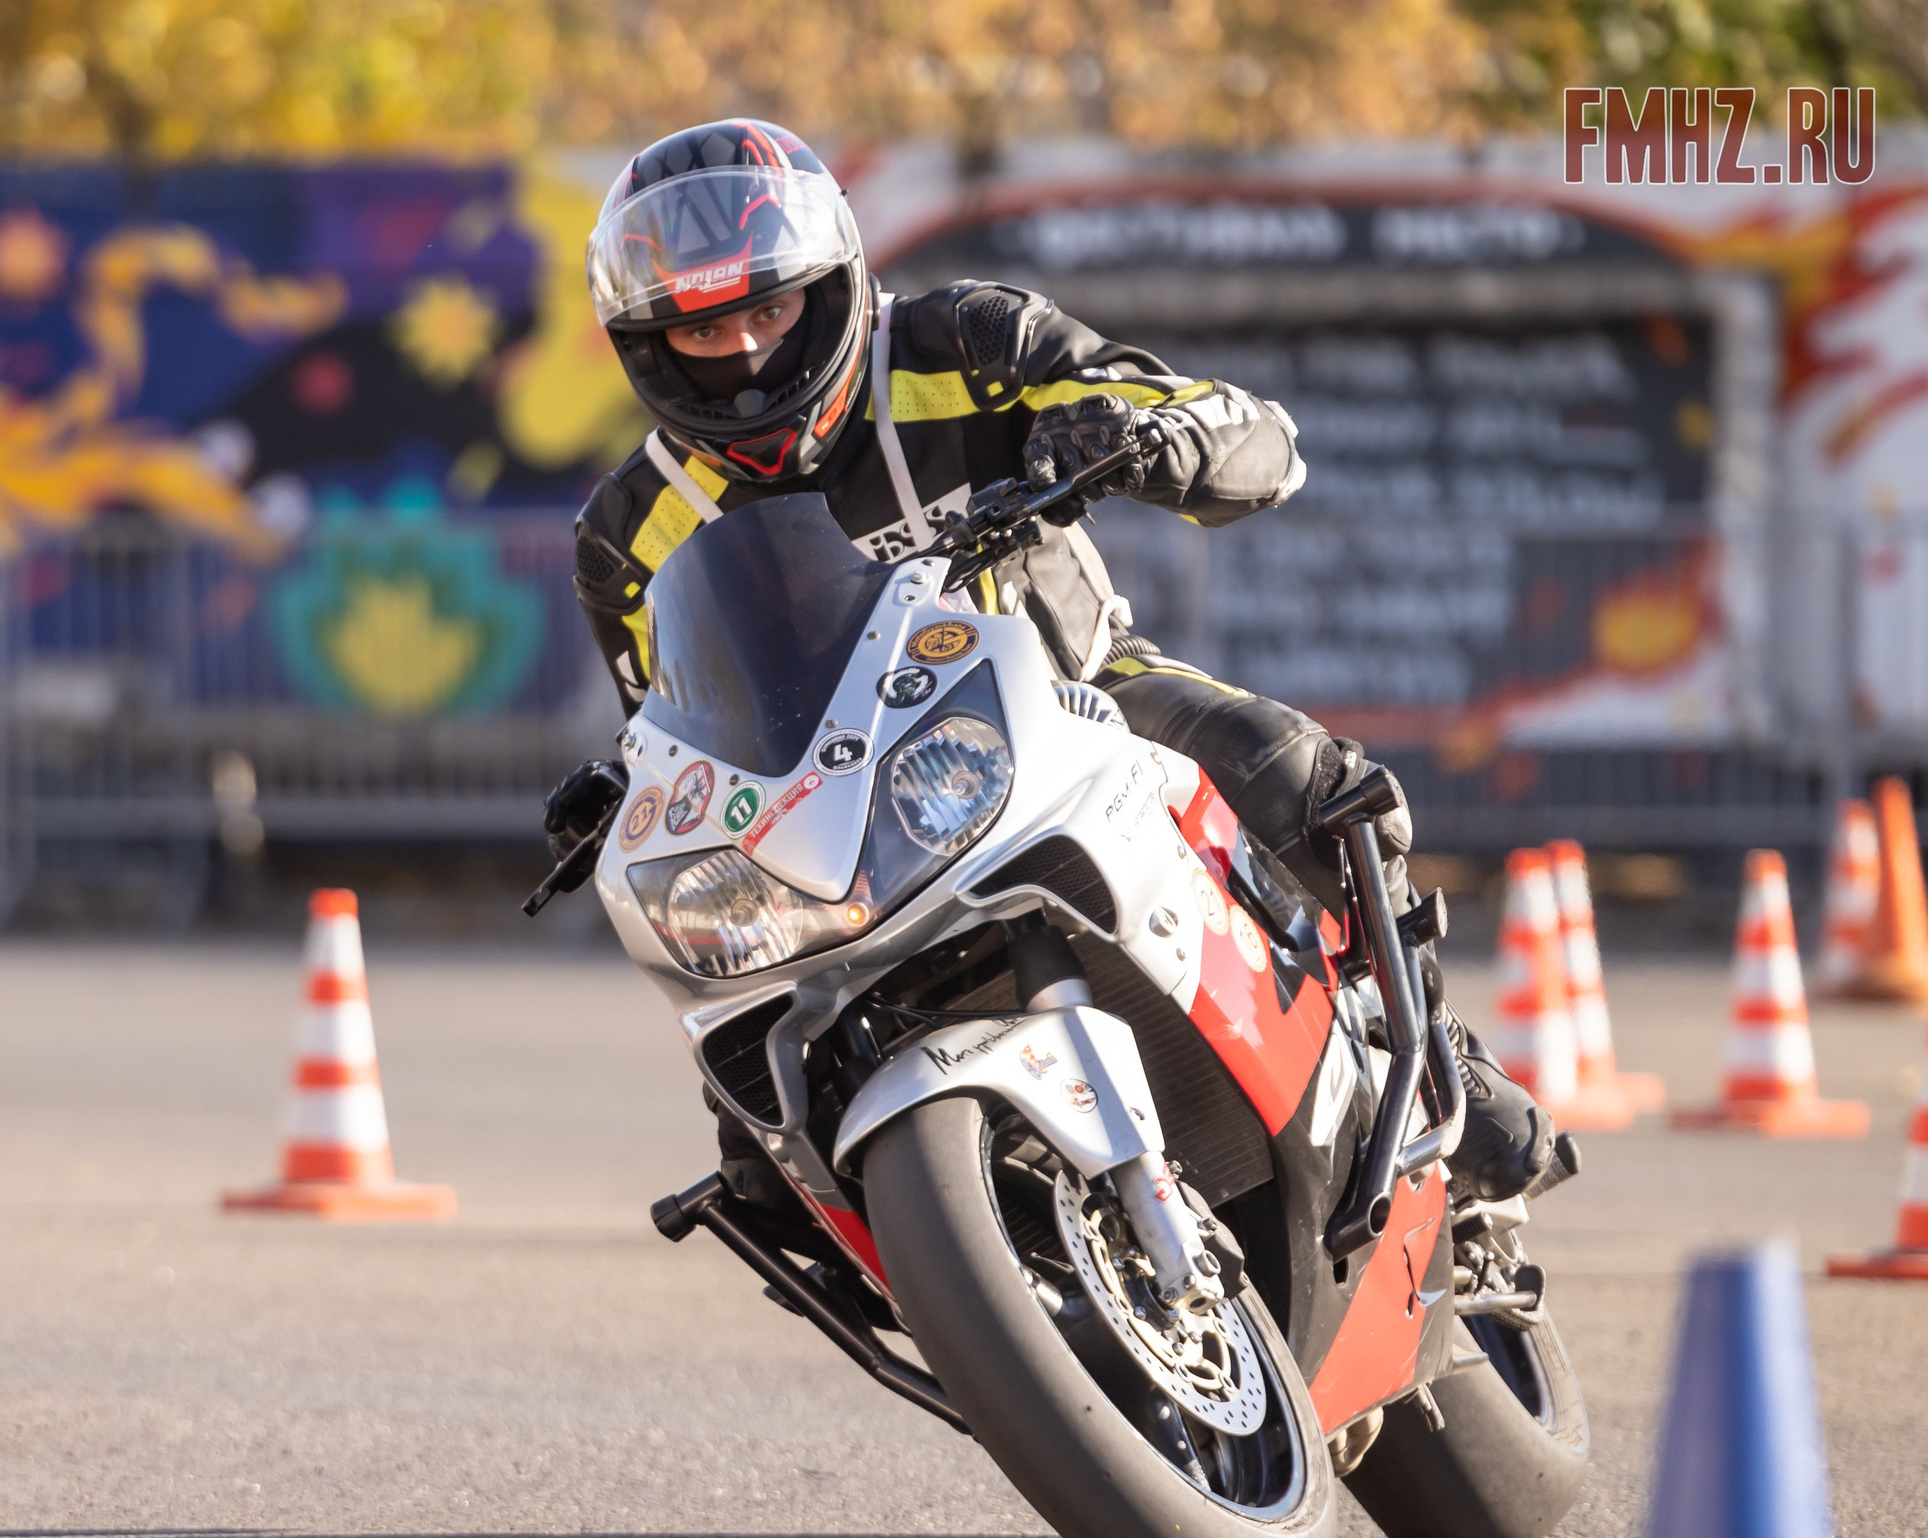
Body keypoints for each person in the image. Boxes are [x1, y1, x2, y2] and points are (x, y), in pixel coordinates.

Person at [541, 119, 1553, 1205]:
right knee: (751, 1141)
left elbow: (1248, 430)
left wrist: (1149, 436)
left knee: (1289, 771)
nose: (742, 354)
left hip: (1077, 701)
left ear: (832, 286)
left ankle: (1433, 1048)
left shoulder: (963, 343)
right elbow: (669, 723)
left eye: (768, 308)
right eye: (703, 331)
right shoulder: (624, 533)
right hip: (830, 821)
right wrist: (624, 786)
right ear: (645, 344)